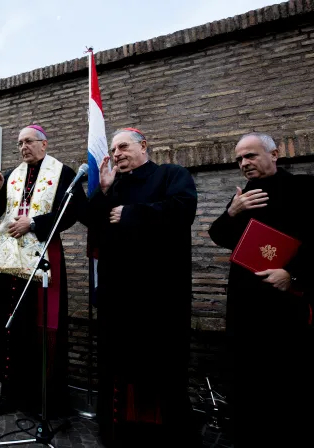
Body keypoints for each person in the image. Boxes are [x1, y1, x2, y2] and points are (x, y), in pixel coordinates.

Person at [80, 128, 198, 447]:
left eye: (123, 147)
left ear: (143, 146)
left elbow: (183, 209)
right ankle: (117, 430)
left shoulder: (171, 174)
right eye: (114, 149)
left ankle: (158, 437)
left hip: (159, 297)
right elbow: (92, 224)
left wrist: (131, 213)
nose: (116, 153)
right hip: (117, 296)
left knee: (157, 368)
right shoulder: (113, 186)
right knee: (118, 365)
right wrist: (103, 192)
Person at [208, 132, 314, 447]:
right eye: (239, 158)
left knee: (286, 379)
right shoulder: (245, 195)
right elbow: (219, 235)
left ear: (275, 154)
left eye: (250, 155)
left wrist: (293, 275)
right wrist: (233, 212)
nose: (244, 163)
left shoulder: (304, 188)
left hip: (286, 303)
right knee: (247, 377)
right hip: (245, 302)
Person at [0, 124, 84, 417]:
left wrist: (35, 223)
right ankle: (8, 391)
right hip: (9, 263)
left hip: (42, 261)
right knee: (8, 327)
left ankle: (39, 396)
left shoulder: (62, 173)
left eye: (28, 142)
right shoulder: (12, 174)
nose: (23, 147)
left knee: (36, 328)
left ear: (44, 144)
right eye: (19, 143)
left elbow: (72, 212)